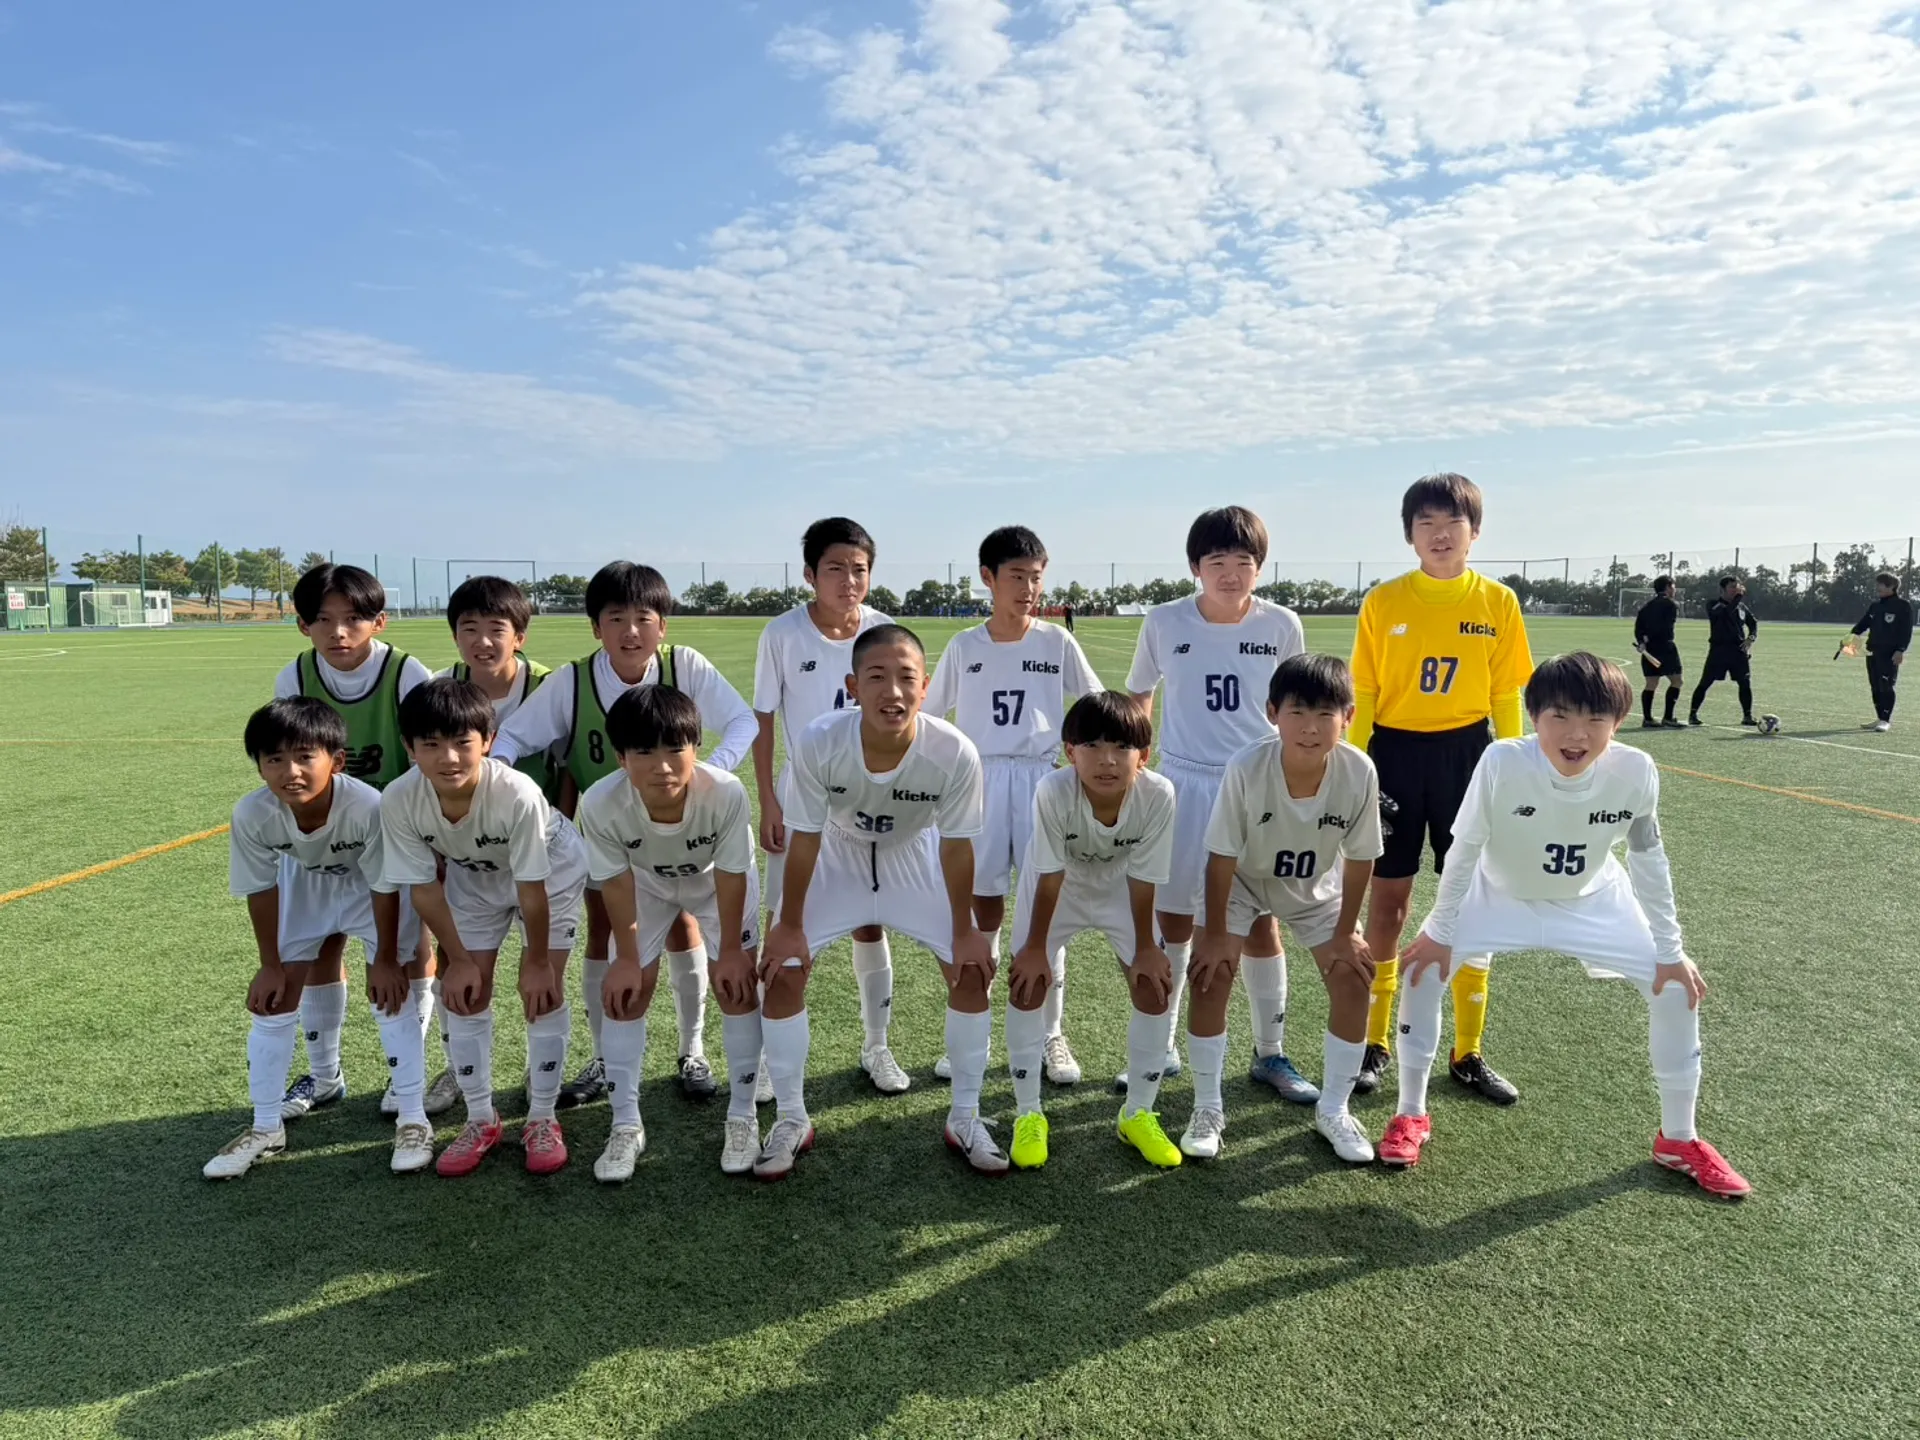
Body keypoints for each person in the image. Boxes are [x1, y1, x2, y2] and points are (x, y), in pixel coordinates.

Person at [1387, 654, 1750, 1199]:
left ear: (1617, 723)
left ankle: (1678, 1138)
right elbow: (1464, 848)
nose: (1577, 735)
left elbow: (1648, 859)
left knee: (1676, 987)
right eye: (1560, 716)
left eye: (1595, 719)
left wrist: (1671, 948)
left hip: (1594, 899)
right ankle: (1410, 1113)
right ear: (1534, 716)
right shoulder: (1502, 761)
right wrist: (1440, 930)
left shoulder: (1636, 770)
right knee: (1422, 971)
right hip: (1499, 896)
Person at [493, 561, 756, 1109]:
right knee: (605, 934)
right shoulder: (573, 681)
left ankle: (692, 1048)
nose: (630, 631)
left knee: (686, 927)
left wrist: (707, 774)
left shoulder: (684, 666)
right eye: (615, 618)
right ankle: (601, 1057)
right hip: (610, 832)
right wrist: (515, 797)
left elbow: (742, 721)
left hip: (682, 828)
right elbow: (511, 736)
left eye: (643, 617)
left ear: (663, 625)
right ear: (596, 627)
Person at [755, 625, 992, 1179]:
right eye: (877, 677)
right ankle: (791, 1118)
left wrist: (965, 929)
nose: (893, 691)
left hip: (913, 853)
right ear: (852, 687)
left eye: (907, 677)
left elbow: (957, 847)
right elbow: (805, 838)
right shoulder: (819, 740)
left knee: (970, 970)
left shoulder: (953, 750)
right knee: (784, 970)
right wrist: (789, 923)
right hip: (837, 851)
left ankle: (966, 1115)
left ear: (925, 687)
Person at [1348, 473, 1533, 1106]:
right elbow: (1366, 690)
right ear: (1409, 535)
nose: (1440, 534)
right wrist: (1354, 768)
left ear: (1474, 532)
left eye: (1453, 522)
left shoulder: (1498, 602)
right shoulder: (1384, 602)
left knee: (1474, 903)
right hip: (1394, 756)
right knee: (1388, 904)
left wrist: (1511, 764)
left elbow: (1506, 691)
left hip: (1468, 757)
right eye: (1425, 523)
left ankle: (1468, 1052)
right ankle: (1374, 1042)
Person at [1122, 506, 1308, 1099]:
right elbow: (1140, 694)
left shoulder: (1281, 625)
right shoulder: (1164, 621)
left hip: (1256, 786)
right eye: (1217, 561)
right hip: (1183, 781)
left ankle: (1270, 1052)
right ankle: (1164, 1046)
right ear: (1195, 567)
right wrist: (1135, 763)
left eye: (1244, 562)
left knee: (1259, 922)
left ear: (1261, 567)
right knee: (1174, 918)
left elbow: (1296, 706)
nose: (1230, 573)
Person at [205, 699, 431, 1179]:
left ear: (337, 760)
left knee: (389, 994)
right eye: (274, 759)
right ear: (259, 766)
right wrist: (270, 963)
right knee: (273, 1000)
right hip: (306, 882)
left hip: (373, 888)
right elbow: (261, 889)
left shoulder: (368, 807)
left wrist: (386, 958)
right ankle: (266, 1126)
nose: (291, 771)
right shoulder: (252, 813)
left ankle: (413, 1117)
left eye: (305, 757)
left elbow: (384, 884)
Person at [382, 678, 589, 1177]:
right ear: (409, 747)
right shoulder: (399, 799)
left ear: (489, 741)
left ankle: (542, 1117)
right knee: (464, 993)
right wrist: (457, 960)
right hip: (474, 876)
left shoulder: (517, 793)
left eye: (462, 742)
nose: (449, 758)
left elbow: (532, 888)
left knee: (542, 991)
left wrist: (537, 961)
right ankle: (481, 1119)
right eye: (431, 744)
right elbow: (424, 889)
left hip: (552, 871)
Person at [924, 525, 1101, 1086]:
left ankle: (1050, 1033)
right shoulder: (965, 646)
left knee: (1047, 905)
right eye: (1017, 577)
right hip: (979, 780)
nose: (1028, 589)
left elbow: (1096, 706)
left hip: (1041, 780)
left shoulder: (1056, 643)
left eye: (1036, 578)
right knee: (984, 908)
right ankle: (974, 1030)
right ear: (988, 578)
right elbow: (930, 718)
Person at [1188, 655, 1383, 1163]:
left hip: (1314, 887)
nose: (1310, 728)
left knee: (1353, 976)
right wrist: (1214, 935)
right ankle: (1207, 1106)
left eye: (1325, 714)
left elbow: (1362, 858)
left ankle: (1334, 1110)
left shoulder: (1358, 770)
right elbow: (1220, 856)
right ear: (1273, 713)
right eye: (1297, 712)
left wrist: (1346, 932)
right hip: (1243, 881)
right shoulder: (1247, 766)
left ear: (1348, 717)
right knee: (1211, 974)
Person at [272, 563, 449, 1122]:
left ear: (379, 621)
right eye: (323, 620)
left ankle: (405, 1074)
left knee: (410, 949)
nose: (339, 632)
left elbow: (428, 755)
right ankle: (325, 1076)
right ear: (303, 625)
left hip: (394, 833)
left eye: (352, 619)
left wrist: (426, 836)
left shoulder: (406, 673)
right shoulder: (295, 676)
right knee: (322, 947)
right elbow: (292, 759)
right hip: (323, 835)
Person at [576, 688, 763, 1182]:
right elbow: (616, 882)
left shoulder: (725, 792)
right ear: (620, 757)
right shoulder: (600, 802)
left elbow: (732, 875)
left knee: (737, 987)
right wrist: (626, 958)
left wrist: (732, 951)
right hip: (646, 883)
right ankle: (625, 1125)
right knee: (627, 993)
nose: (662, 766)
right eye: (643, 751)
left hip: (715, 882)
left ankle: (743, 1116)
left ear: (696, 748)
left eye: (675, 748)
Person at [751, 518, 899, 1095]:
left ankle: (877, 1045)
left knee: (870, 918)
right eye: (835, 568)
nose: (848, 580)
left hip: (870, 794)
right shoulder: (783, 634)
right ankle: (770, 1056)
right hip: (804, 795)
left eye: (859, 569)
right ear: (810, 575)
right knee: (784, 920)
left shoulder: (884, 630)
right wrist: (768, 798)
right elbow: (764, 719)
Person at [1003, 692, 1178, 1170]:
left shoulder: (1159, 794)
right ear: (1069, 752)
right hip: (1058, 888)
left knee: (1153, 987)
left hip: (1121, 887)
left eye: (1121, 747)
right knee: (1027, 984)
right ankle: (1028, 1113)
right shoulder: (1053, 790)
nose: (1107, 760)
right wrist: (1035, 948)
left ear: (1144, 755)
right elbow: (1049, 876)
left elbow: (1144, 878)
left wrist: (1146, 947)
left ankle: (1137, 1113)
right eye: (1093, 746)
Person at [443, 574, 559, 798]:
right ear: (455, 637)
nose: (483, 641)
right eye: (470, 629)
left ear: (519, 638)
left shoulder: (547, 686)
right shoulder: (441, 686)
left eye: (497, 630)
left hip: (536, 811)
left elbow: (567, 765)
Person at [1687, 576, 1759, 727]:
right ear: (1723, 589)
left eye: (1737, 586)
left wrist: (1750, 638)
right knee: (1706, 682)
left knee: (1744, 682)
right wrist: (1738, 598)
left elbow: (1753, 623)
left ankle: (1747, 716)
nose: (1735, 590)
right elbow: (1726, 612)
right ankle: (1693, 714)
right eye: (1732, 587)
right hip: (1719, 650)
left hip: (1738, 651)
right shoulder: (1714, 605)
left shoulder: (1741, 607)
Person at [1847, 572, 1912, 732]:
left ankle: (1885, 720)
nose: (1877, 587)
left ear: (1891, 586)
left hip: (1890, 653)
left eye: (1881, 584)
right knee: (1875, 685)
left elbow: (1906, 631)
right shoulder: (1875, 606)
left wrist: (1900, 650)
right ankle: (1879, 717)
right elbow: (1863, 624)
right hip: (1872, 651)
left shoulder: (1903, 606)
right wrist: (1850, 637)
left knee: (1886, 685)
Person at [1632, 576, 1687, 729]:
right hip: (1665, 647)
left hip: (1649, 648)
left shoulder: (1646, 607)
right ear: (1668, 587)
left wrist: (1642, 642)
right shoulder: (1670, 604)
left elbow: (1638, 628)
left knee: (1651, 683)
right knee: (1677, 681)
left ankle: (1648, 718)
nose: (1674, 590)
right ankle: (1668, 717)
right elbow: (1665, 627)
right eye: (1673, 586)